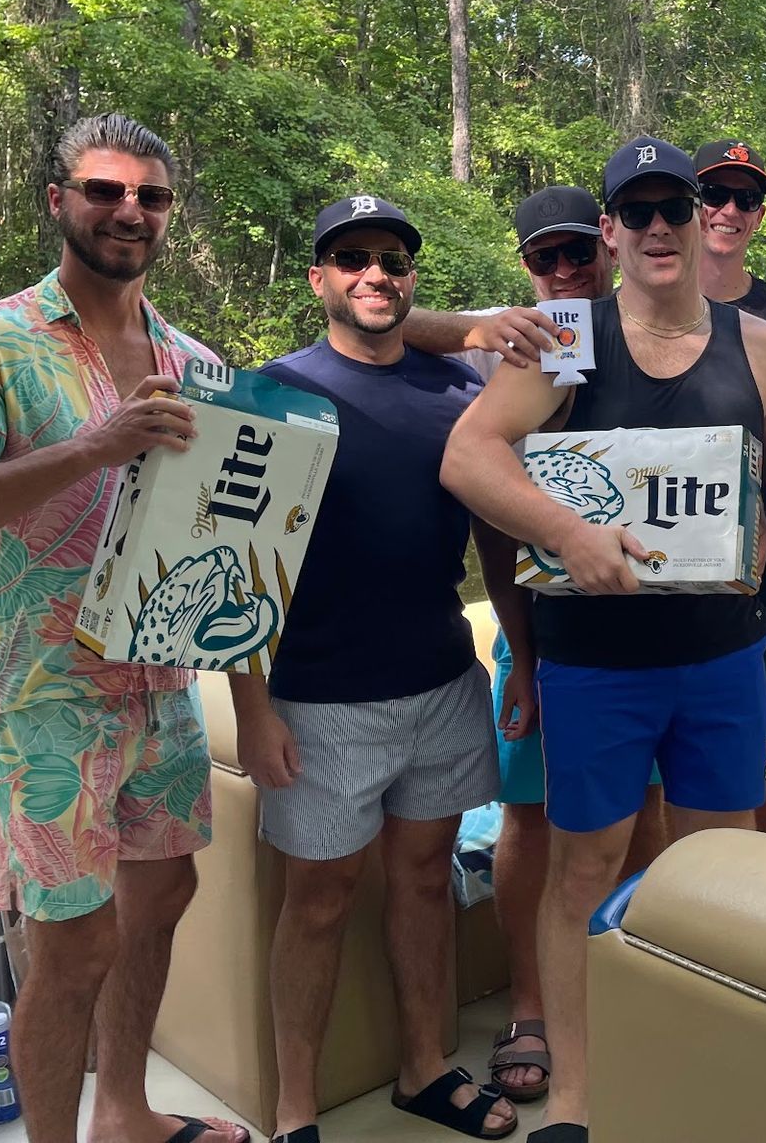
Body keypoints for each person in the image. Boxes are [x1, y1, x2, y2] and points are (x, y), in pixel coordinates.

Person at [441, 137, 766, 1143]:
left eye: (677, 207)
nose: (660, 228)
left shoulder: (758, 344)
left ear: (702, 217)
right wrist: (570, 532)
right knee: (585, 870)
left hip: (719, 654)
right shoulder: (568, 338)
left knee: (720, 876)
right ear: (611, 231)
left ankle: (709, 1077)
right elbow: (468, 457)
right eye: (639, 212)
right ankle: (574, 1103)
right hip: (594, 664)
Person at [0, 114, 247, 1143]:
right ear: (57, 200)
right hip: (39, 691)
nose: (127, 210)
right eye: (103, 189)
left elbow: (224, 535)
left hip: (161, 684)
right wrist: (92, 451)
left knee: (166, 895)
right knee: (74, 946)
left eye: (149, 195)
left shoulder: (198, 362)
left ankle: (125, 1113)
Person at [228, 196, 515, 1143]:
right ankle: (295, 1111)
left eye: (391, 258)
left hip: (443, 682)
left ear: (410, 277)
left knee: (427, 878)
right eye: (351, 258)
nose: (374, 274)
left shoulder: (456, 394)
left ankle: (425, 1068)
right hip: (319, 701)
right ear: (319, 279)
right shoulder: (273, 396)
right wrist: (253, 709)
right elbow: (235, 566)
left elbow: (498, 541)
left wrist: (531, 659)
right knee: (318, 902)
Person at [437, 185, 667, 1103]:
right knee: (529, 819)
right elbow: (496, 526)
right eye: (546, 259)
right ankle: (531, 1005)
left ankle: (631, 987)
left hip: (646, 640)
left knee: (645, 815)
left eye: (580, 253)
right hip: (545, 636)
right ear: (523, 267)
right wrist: (522, 656)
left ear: (609, 249)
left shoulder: (647, 341)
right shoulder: (522, 352)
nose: (567, 272)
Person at [692, 139, 766, 838]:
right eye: (714, 195)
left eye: (746, 199)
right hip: (650, 585)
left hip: (754, 584)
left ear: (760, 217)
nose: (729, 210)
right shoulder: (624, 309)